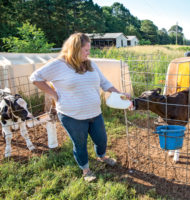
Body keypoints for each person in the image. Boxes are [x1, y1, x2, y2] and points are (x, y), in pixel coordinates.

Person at [30, 33, 130, 182]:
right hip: (72, 115)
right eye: (86, 50)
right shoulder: (59, 64)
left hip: (95, 113)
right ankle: (86, 170)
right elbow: (35, 78)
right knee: (80, 143)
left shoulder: (90, 64)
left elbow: (104, 82)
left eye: (89, 50)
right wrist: (54, 94)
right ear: (74, 49)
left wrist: (119, 93)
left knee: (101, 139)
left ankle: (101, 156)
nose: (88, 53)